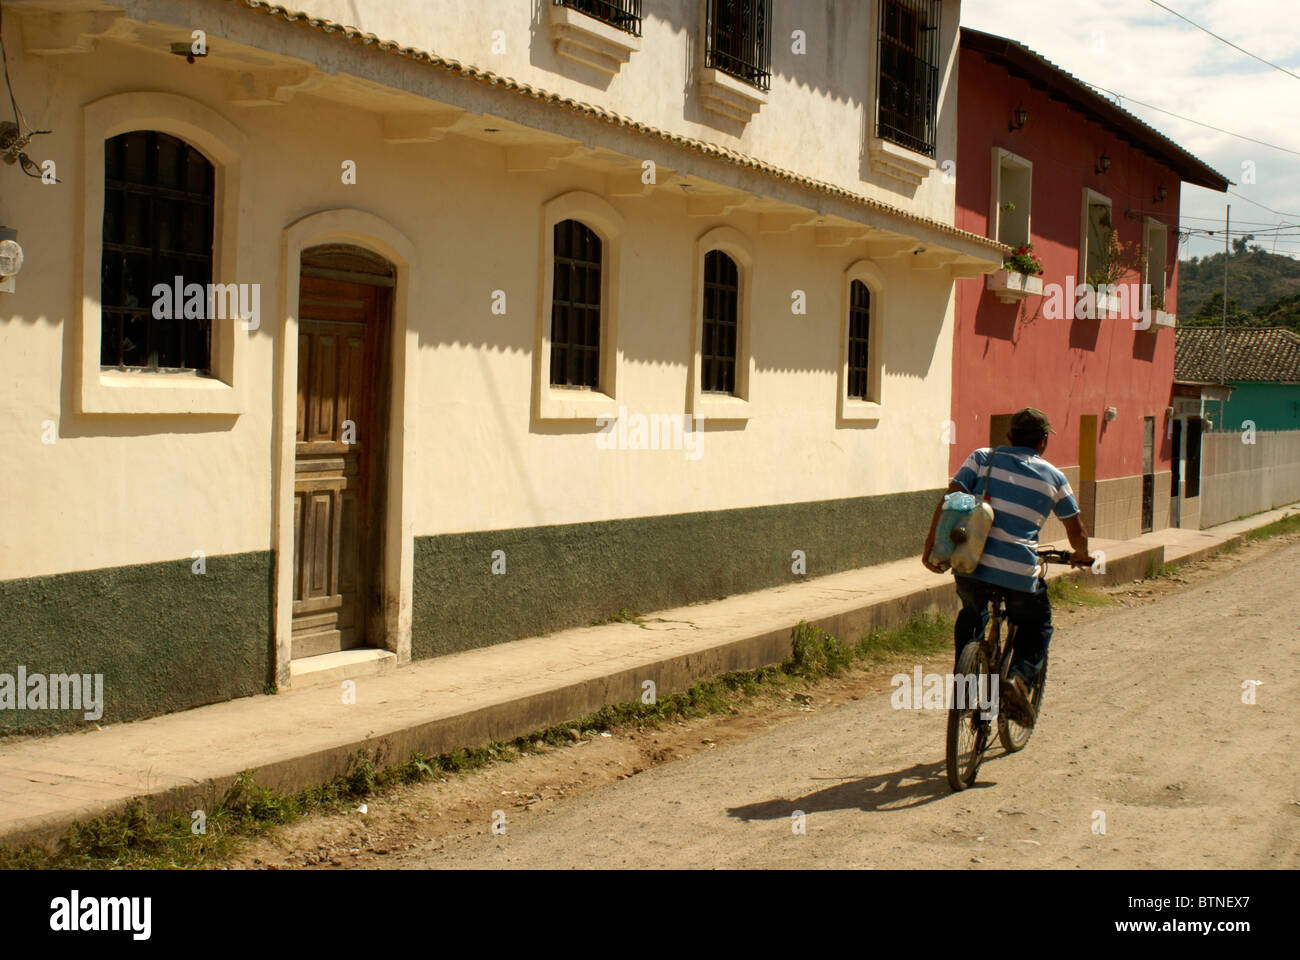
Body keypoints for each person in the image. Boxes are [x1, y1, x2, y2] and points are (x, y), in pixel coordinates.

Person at [922, 408, 1091, 726]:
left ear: (1009, 437)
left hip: (970, 565)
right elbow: (1077, 532)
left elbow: (950, 502)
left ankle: (966, 682)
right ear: (1043, 442)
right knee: (1038, 625)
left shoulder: (981, 458)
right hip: (1017, 575)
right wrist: (1081, 554)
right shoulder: (1054, 477)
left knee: (972, 615)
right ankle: (1018, 680)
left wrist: (930, 547)